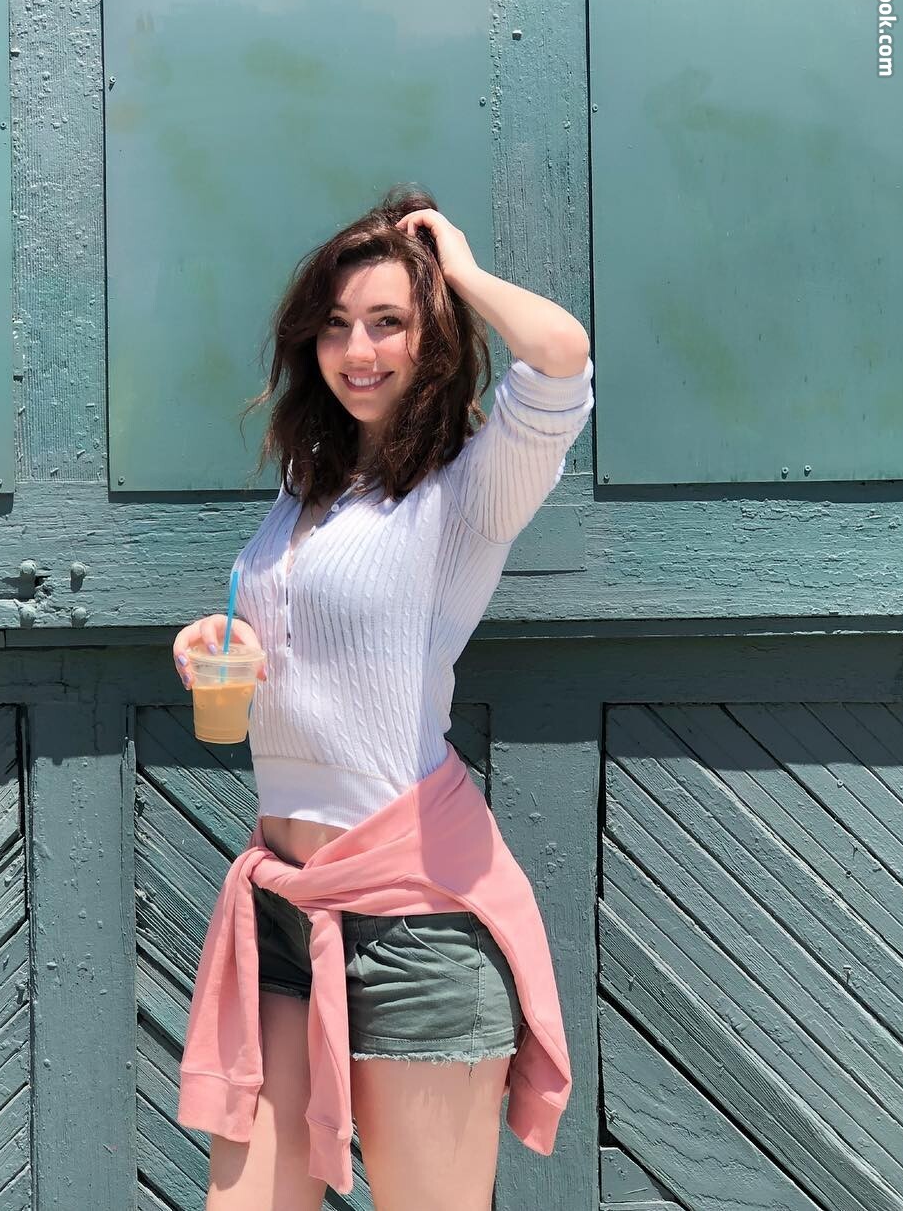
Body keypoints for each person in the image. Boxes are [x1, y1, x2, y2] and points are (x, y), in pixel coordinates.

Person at [172, 184, 594, 1211]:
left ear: (433, 335)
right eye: (335, 323)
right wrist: (220, 643)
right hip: (286, 902)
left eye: (388, 321)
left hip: (416, 921)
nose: (357, 349)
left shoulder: (469, 488)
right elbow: (310, 638)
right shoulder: (307, 486)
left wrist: (459, 268)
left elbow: (561, 356)